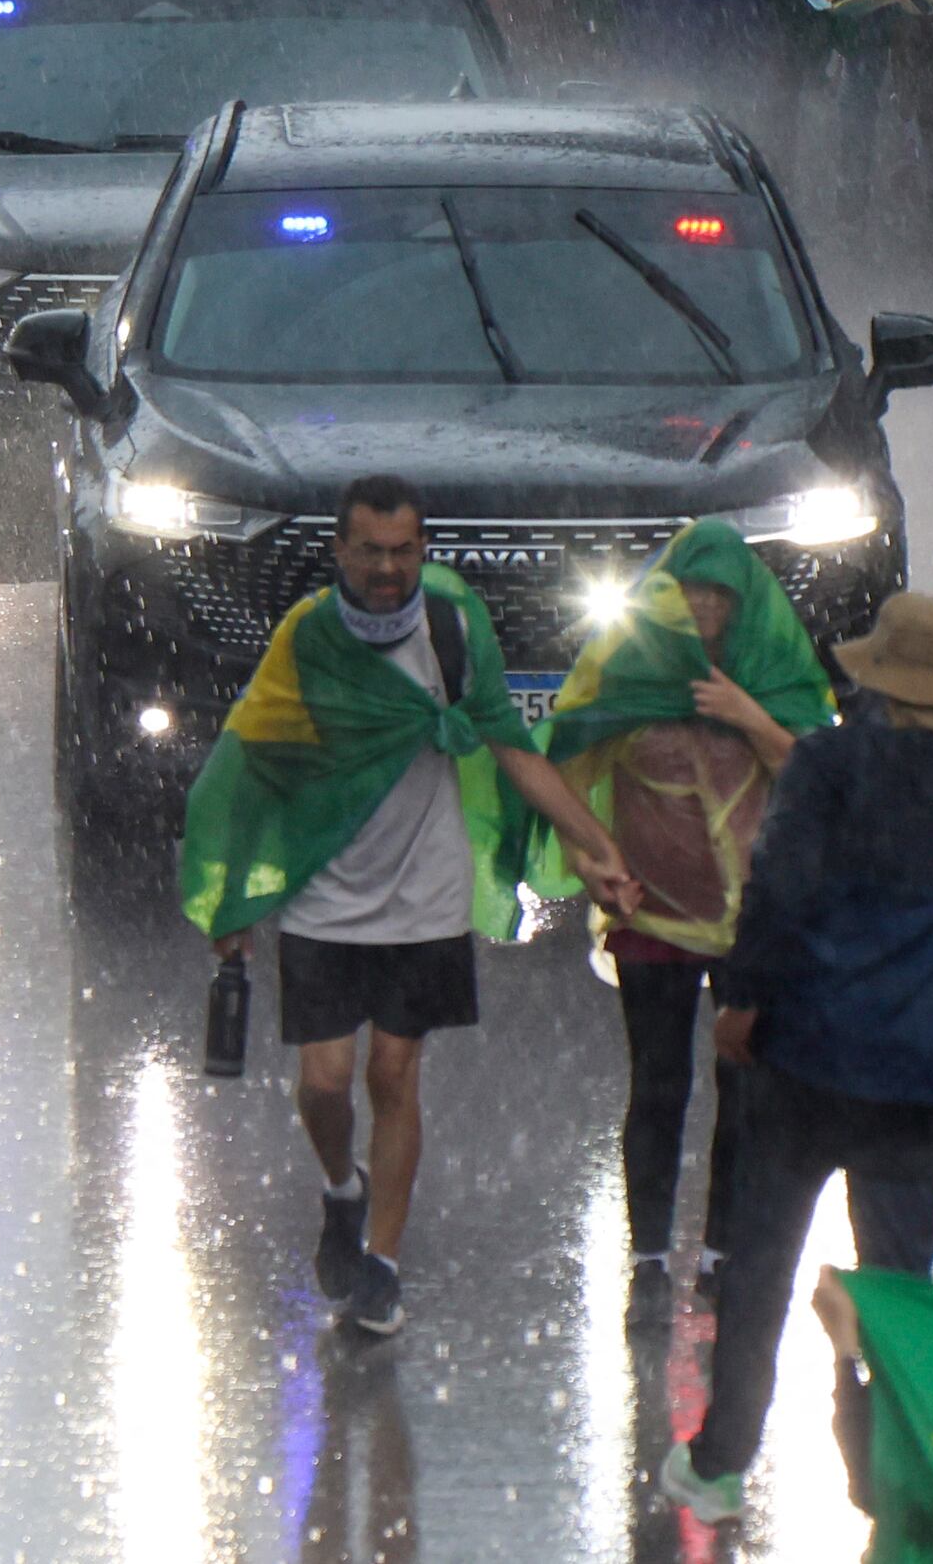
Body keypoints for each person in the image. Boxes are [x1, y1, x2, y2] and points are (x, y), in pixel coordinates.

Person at [179, 473, 640, 1342]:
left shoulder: (452, 629)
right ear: (341, 551)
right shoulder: (308, 639)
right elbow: (255, 763)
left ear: (423, 549)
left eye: (403, 551)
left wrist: (595, 845)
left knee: (393, 1074)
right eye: (371, 551)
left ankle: (382, 1266)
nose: (388, 569)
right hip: (325, 896)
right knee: (324, 1086)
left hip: (427, 894)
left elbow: (512, 747)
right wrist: (233, 896)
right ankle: (340, 1189)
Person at [663, 593, 933, 1525]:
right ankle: (882, 1463)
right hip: (918, 1070)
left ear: (874, 677)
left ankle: (721, 1460)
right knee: (899, 1286)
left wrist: (743, 998)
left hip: (808, 1054)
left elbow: (780, 885)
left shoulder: (828, 764)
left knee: (761, 1268)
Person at [536, 520, 822, 1325]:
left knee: (745, 1087)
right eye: (689, 591)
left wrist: (746, 714)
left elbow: (814, 776)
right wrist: (593, 862)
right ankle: (650, 1263)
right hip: (652, 916)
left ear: (744, 603)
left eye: (719, 596)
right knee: (658, 1085)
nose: (703, 608)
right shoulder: (629, 673)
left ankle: (723, 1253)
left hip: (751, 924)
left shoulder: (772, 673)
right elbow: (564, 775)